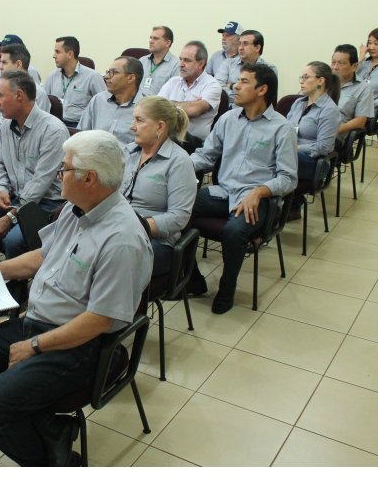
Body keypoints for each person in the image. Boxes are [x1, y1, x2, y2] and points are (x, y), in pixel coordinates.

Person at [0, 130, 153, 467]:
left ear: (89, 178)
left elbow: (100, 319)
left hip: (81, 345)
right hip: (39, 321)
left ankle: (56, 466)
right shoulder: (75, 209)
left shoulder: (122, 240)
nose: (58, 176)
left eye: (64, 169)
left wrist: (34, 346)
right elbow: (43, 256)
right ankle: (50, 428)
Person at [188, 63, 297, 314]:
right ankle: (192, 279)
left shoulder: (282, 128)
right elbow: (205, 155)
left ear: (262, 89)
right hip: (223, 192)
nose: (235, 86)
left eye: (244, 82)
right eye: (237, 81)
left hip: (257, 200)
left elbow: (288, 178)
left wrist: (259, 192)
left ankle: (227, 288)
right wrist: (176, 167)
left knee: (234, 231)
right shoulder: (228, 119)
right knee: (179, 209)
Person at [0, 69, 69, 258]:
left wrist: (11, 216)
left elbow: (40, 183)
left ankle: (18, 276)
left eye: (0, 95)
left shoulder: (53, 131)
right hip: (14, 196)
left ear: (19, 96)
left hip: (46, 204)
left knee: (13, 241)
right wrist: (2, 189)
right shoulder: (7, 125)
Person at [122, 96, 197, 276]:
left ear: (160, 127)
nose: (132, 126)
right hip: (119, 230)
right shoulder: (128, 152)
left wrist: (135, 227)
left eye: (139, 120)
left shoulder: (179, 162)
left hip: (156, 241)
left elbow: (179, 217)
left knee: (112, 259)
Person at [0, 43, 50, 164]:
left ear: (18, 64)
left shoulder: (37, 93)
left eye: (4, 62)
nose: (0, 67)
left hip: (22, 145)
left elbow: (37, 131)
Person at [286, 61, 342, 192]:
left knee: (270, 161)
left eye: (306, 77)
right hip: (289, 153)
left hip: (314, 162)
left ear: (320, 81)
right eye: (301, 77)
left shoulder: (329, 110)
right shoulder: (298, 103)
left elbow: (324, 147)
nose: (302, 81)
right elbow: (285, 129)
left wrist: (296, 148)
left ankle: (289, 202)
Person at [157, 41, 223, 148]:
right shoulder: (173, 82)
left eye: (187, 60)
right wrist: (189, 105)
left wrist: (167, 105)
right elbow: (156, 107)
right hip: (168, 136)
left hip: (193, 143)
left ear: (201, 64)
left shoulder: (212, 85)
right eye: (180, 59)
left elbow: (193, 110)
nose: (181, 64)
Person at [77, 55, 143, 145]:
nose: (106, 77)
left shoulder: (145, 107)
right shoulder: (98, 100)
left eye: (114, 72)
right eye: (108, 72)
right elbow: (81, 135)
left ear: (130, 78)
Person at [43, 35, 105, 128]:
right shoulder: (52, 76)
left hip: (78, 126)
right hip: (54, 124)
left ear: (70, 54)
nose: (54, 56)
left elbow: (103, 105)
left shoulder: (93, 77)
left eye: (57, 52)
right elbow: (44, 101)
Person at [0, 34, 43, 107]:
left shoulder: (30, 71)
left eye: (5, 48)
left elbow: (33, 97)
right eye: (1, 48)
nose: (1, 50)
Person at [214, 29, 278, 104]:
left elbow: (266, 97)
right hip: (230, 107)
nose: (240, 48)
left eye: (245, 44)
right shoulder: (228, 63)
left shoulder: (269, 69)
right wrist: (238, 97)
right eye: (239, 44)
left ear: (257, 48)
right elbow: (217, 87)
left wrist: (232, 86)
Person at [332, 44, 374, 138]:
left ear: (354, 66)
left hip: (334, 135)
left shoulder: (363, 89)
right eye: (333, 62)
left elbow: (360, 121)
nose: (335, 67)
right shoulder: (323, 81)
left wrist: (333, 130)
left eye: (341, 63)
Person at [139, 26, 180, 96]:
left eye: (155, 38)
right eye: (150, 38)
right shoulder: (142, 61)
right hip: (137, 102)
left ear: (167, 43)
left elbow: (174, 93)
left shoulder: (176, 65)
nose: (150, 41)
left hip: (158, 102)